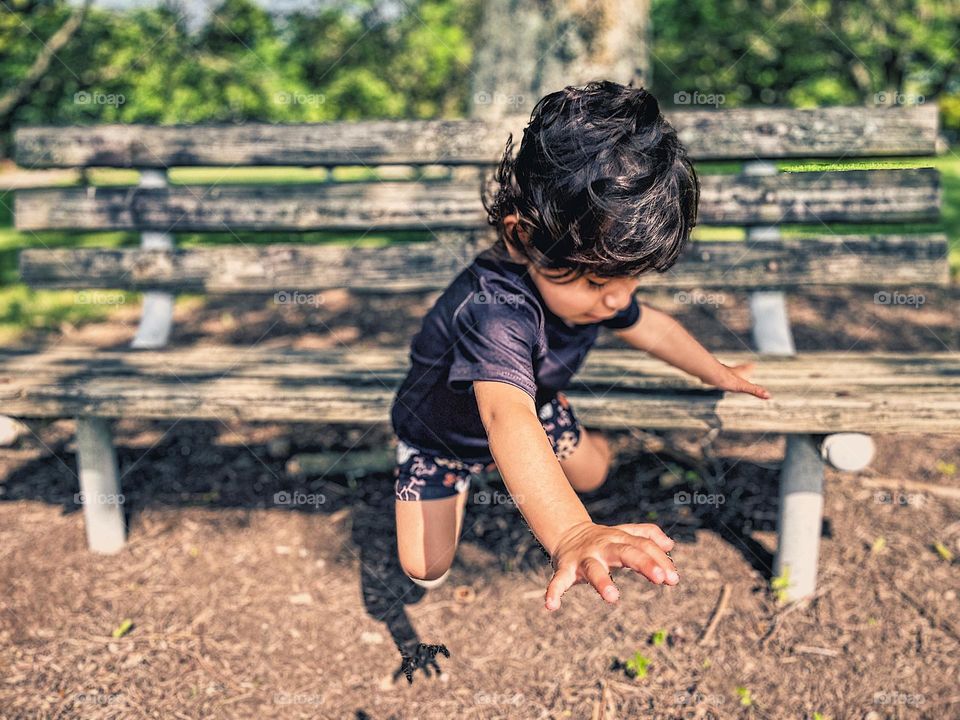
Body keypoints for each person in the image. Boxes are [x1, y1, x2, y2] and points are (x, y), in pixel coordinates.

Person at [390, 80, 771, 612]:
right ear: (522, 237)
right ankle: (439, 467)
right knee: (425, 569)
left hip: (536, 408)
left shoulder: (594, 284)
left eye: (631, 280)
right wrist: (571, 532)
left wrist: (715, 371)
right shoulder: (495, 308)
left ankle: (537, 454)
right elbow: (505, 416)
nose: (617, 300)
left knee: (595, 474)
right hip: (444, 434)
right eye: (597, 284)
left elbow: (652, 327)